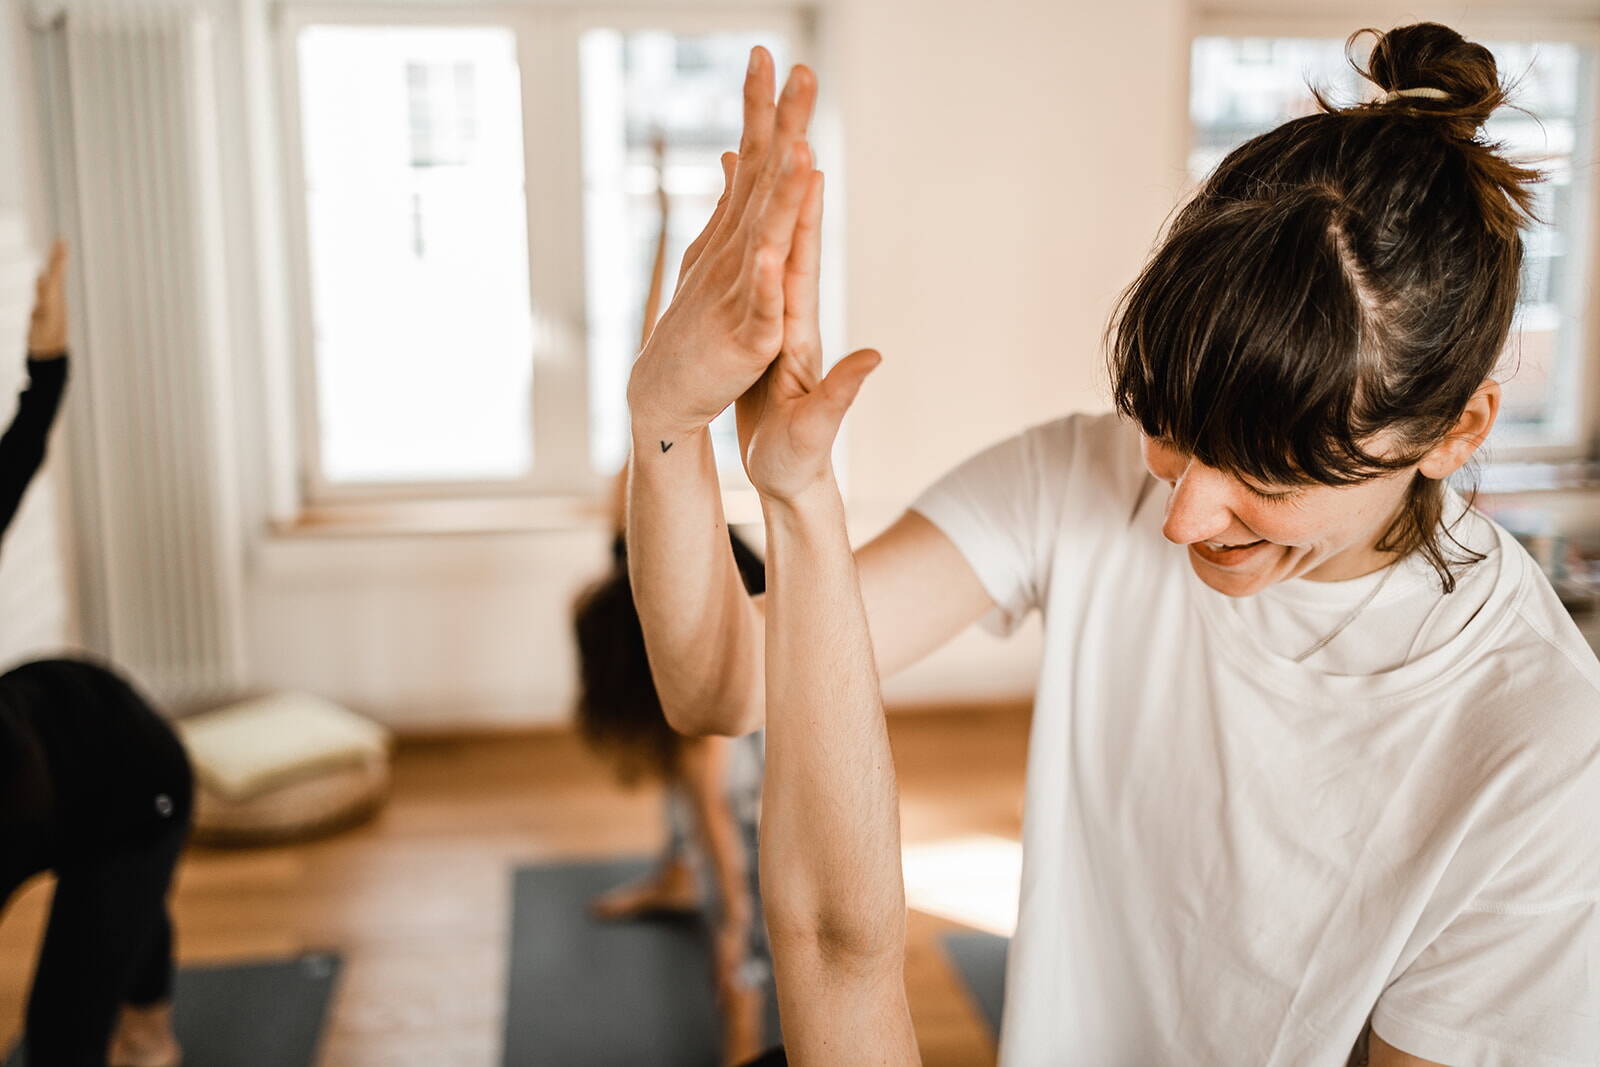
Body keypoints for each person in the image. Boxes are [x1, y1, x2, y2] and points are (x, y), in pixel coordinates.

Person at [624, 23, 1600, 1067]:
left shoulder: (1540, 757)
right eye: (1171, 434)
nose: (1180, 517)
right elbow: (722, 683)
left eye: (1268, 478)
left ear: (1458, 428)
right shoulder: (1079, 479)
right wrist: (666, 419)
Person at [0, 241, 192, 1067]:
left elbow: (24, 444)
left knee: (63, 1043)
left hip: (128, 769)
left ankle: (152, 1022)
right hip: (49, 746)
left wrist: (47, 355)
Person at [570, 467, 771, 1067]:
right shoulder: (631, 542)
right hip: (713, 629)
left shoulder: (704, 691)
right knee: (682, 775)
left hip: (770, 676)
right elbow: (630, 477)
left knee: (736, 859)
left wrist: (734, 916)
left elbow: (710, 807)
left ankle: (744, 1015)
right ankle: (675, 878)